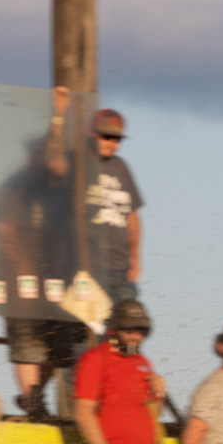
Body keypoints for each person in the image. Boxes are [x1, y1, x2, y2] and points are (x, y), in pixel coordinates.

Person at [0, 84, 82, 420]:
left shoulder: (60, 187)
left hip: (57, 277)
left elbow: (65, 159)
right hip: (22, 279)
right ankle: (33, 404)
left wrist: (60, 117)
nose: (51, 158)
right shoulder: (19, 185)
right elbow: (3, 230)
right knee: (27, 343)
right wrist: (22, 270)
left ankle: (35, 399)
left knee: (60, 347)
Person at [74, 299, 165, 444]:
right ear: (113, 330)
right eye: (129, 331)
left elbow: (153, 415)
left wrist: (159, 392)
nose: (136, 337)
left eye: (141, 332)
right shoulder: (95, 358)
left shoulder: (143, 362)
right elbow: (83, 411)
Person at [86, 108, 144, 306]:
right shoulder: (79, 164)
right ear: (92, 134)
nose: (114, 144)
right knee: (93, 326)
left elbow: (133, 216)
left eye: (118, 139)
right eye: (107, 137)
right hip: (90, 265)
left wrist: (135, 259)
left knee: (127, 323)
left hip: (122, 268)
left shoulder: (121, 166)